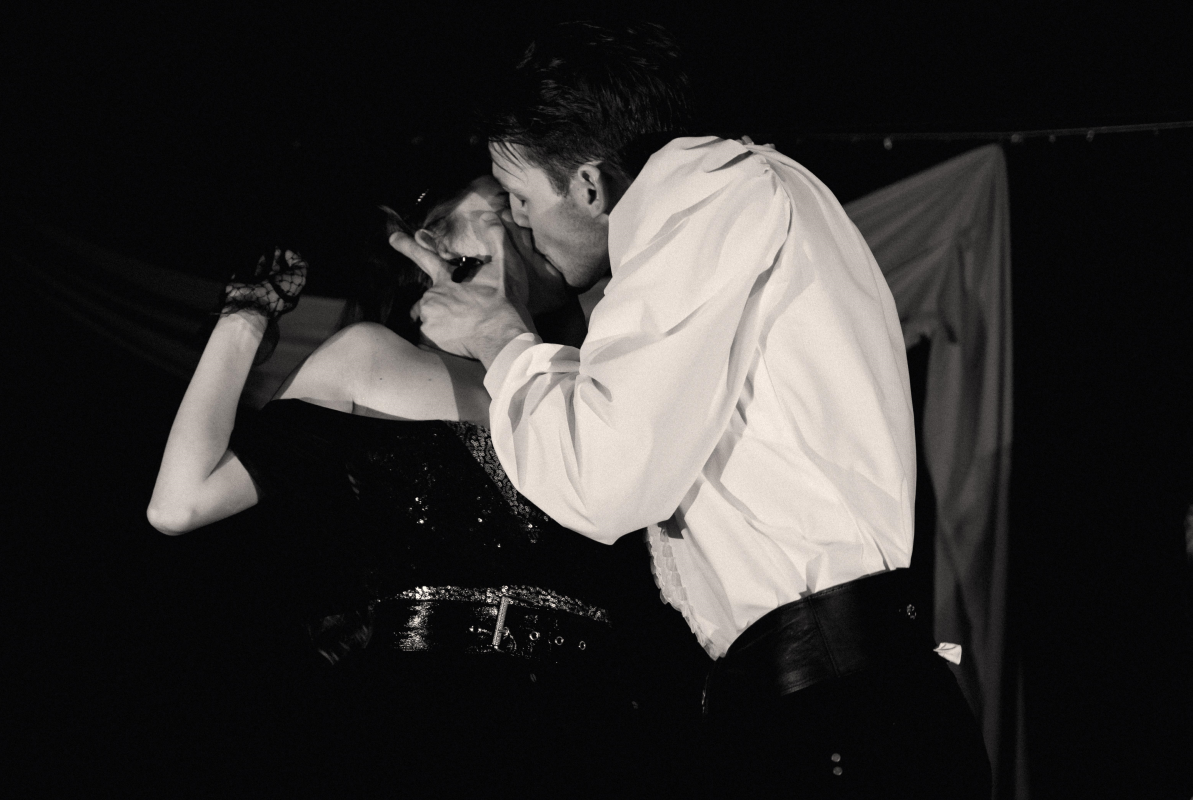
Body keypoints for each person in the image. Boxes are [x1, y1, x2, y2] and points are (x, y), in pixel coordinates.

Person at [392, 21, 993, 798]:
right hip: (825, 706)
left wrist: (499, 336)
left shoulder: (705, 191)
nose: (523, 228)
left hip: (837, 714)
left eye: (521, 200)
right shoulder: (736, 200)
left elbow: (605, 476)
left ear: (589, 186)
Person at [146, 175, 649, 796]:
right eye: (505, 203)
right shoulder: (371, 357)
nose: (526, 218)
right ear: (431, 242)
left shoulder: (577, 381)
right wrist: (246, 313)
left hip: (592, 729)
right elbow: (180, 502)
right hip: (430, 721)